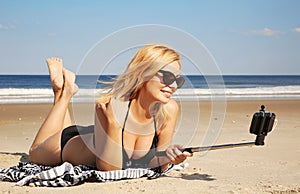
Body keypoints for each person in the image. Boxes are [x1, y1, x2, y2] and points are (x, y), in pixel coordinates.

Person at [29, 44, 192, 172]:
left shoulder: (169, 109)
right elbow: (108, 169)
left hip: (93, 136)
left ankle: (64, 90)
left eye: (178, 80)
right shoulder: (112, 105)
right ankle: (63, 94)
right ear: (144, 73)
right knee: (34, 153)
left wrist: (169, 158)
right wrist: (113, 125)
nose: (173, 86)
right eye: (168, 77)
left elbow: (157, 162)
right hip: (67, 145)